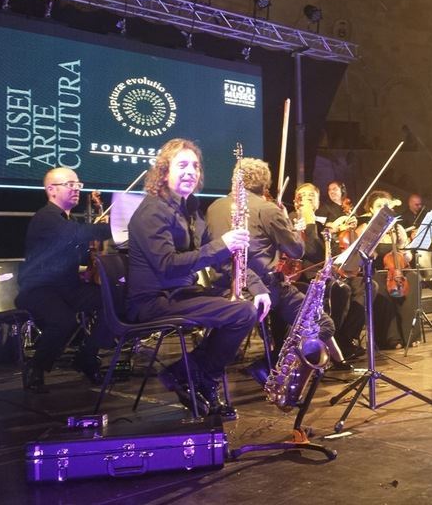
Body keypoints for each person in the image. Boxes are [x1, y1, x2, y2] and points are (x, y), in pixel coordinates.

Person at [126, 138, 261, 418]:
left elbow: (221, 255)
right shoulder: (153, 210)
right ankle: (196, 376)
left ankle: (190, 374)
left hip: (178, 293)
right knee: (241, 313)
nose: (191, 172)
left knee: (247, 305)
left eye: (195, 166)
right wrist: (222, 244)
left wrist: (257, 286)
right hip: (153, 300)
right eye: (182, 165)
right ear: (164, 172)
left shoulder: (188, 210)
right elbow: (167, 266)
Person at [204, 158, 341, 384]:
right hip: (263, 288)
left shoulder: (214, 207)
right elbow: (297, 250)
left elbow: (207, 248)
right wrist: (293, 224)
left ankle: (264, 366)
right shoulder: (268, 209)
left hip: (221, 286)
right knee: (324, 325)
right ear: (265, 185)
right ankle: (273, 365)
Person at [15, 167, 113, 393]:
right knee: (64, 321)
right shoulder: (46, 218)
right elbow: (78, 234)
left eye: (78, 184)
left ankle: (87, 356)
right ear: (51, 190)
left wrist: (88, 266)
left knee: (113, 299)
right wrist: (115, 227)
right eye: (70, 184)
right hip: (39, 289)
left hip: (67, 287)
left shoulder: (67, 221)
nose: (76, 189)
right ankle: (35, 367)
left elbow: (75, 254)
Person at [291, 183, 365, 364]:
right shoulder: (291, 220)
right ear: (296, 202)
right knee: (340, 290)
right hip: (301, 277)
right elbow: (309, 250)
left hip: (325, 274)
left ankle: (344, 339)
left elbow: (332, 253)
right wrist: (309, 223)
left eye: (312, 196)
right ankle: (328, 343)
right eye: (304, 196)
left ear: (317, 202)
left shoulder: (321, 224)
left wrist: (345, 231)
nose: (308, 199)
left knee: (364, 286)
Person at [356, 190, 414, 349]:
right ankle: (390, 338)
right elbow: (363, 255)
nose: (383, 209)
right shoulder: (366, 228)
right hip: (375, 271)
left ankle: (409, 334)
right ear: (371, 210)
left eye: (386, 206)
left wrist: (403, 249)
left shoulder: (397, 228)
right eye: (379, 206)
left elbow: (408, 255)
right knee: (380, 286)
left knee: (414, 278)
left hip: (396, 271)